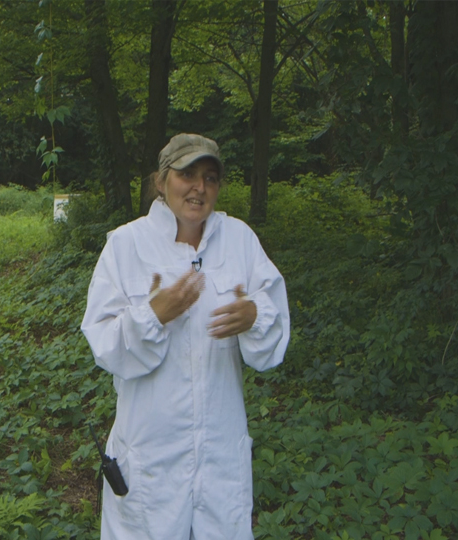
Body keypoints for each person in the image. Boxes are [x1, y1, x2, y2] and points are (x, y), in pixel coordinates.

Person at [81, 133, 290, 539]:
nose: (199, 188)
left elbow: (273, 322)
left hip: (219, 451)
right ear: (161, 182)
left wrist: (254, 315)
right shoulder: (127, 245)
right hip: (150, 453)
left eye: (210, 178)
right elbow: (103, 341)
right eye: (187, 175)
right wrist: (153, 315)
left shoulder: (240, 240)